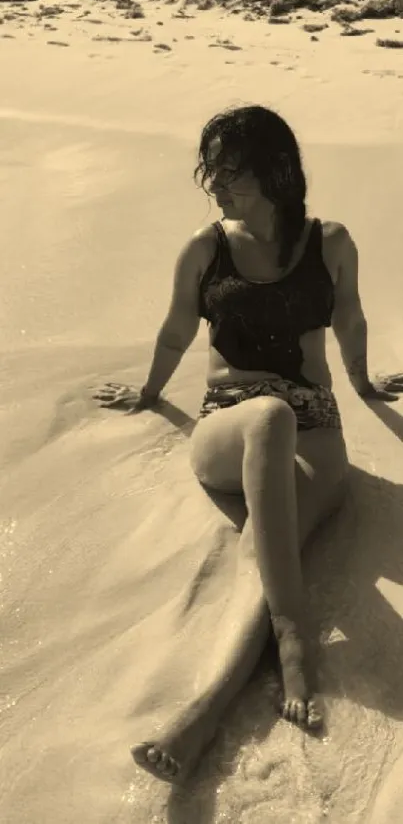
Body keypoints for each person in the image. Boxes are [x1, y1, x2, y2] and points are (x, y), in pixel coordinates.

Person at [93, 105, 400, 784]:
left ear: (277, 171)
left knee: (267, 545)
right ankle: (294, 630)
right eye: (210, 170)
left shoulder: (331, 243)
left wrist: (364, 384)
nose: (215, 186)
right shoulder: (205, 246)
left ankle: (199, 714)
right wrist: (147, 391)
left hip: (316, 430)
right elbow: (176, 331)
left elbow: (350, 320)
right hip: (227, 430)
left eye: (230, 172)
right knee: (266, 416)